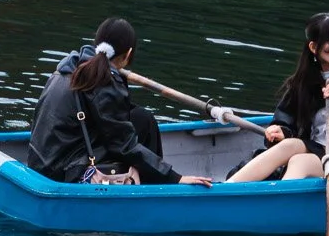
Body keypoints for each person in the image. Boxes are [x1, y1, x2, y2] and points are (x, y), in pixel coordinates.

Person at [27, 17, 212, 186]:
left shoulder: (68, 67)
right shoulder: (105, 83)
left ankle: (148, 181)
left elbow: (115, 116)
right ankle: (155, 187)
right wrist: (174, 177)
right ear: (128, 53)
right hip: (64, 171)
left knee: (142, 119)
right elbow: (123, 144)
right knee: (142, 127)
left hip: (40, 163)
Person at [233, 12, 329, 181]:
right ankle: (228, 188)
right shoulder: (303, 81)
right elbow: (286, 119)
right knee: (288, 145)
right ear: (314, 47)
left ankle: (280, 203)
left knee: (300, 162)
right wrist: (281, 131)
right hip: (316, 149)